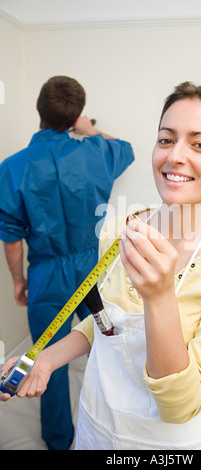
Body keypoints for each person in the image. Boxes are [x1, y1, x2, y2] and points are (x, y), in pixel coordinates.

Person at [0, 81, 201, 450]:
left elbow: (180, 406)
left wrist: (159, 298)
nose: (175, 155)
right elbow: (105, 323)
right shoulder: (120, 227)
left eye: (200, 144)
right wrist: (46, 359)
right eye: (165, 139)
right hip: (97, 424)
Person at [0, 75, 134, 450]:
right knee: (110, 347)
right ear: (75, 116)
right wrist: (89, 128)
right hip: (96, 270)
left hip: (46, 274)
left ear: (39, 109)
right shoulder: (97, 152)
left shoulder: (12, 167)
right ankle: (116, 428)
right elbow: (125, 148)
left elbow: (11, 239)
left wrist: (18, 281)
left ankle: (59, 442)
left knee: (48, 363)